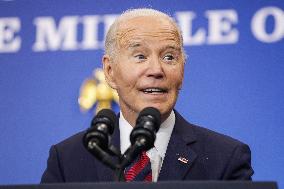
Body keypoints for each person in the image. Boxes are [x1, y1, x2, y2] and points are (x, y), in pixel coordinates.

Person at [41, 8, 254, 183]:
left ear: (183, 68)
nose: (156, 70)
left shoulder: (226, 158)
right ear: (110, 71)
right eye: (140, 56)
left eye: (169, 57)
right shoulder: (68, 159)